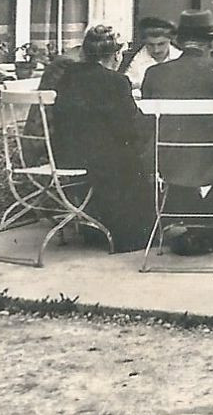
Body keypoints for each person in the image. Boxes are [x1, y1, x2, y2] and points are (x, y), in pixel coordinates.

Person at [142, 9, 213, 255]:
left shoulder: (154, 73)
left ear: (179, 42)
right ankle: (207, 226)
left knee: (186, 171)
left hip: (165, 162)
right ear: (209, 42)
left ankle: (188, 226)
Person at [39, 24, 155, 252]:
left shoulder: (68, 76)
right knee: (135, 153)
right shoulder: (116, 82)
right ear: (116, 54)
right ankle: (132, 232)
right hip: (101, 161)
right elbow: (128, 127)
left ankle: (93, 225)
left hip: (65, 156)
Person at [121, 17, 182, 90]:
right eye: (150, 45)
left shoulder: (182, 57)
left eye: (161, 44)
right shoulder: (130, 61)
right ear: (144, 41)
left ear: (170, 40)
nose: (156, 50)